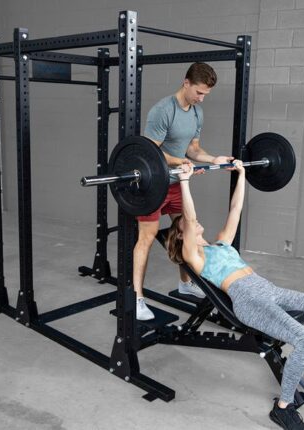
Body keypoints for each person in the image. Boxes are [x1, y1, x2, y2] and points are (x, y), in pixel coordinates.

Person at [166, 162, 304, 430]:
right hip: (248, 300)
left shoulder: (221, 243)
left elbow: (235, 210)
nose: (194, 221)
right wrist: (184, 182)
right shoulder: (193, 255)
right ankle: (283, 407)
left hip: (269, 289)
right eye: (187, 222)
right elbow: (189, 214)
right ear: (181, 234)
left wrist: (242, 174)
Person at [134, 62, 234, 320]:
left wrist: (213, 159)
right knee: (147, 237)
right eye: (199, 92)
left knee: (187, 230)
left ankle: (185, 284)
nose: (202, 98)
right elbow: (151, 153)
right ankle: (137, 299)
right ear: (186, 82)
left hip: (177, 183)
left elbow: (193, 150)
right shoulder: (163, 110)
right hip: (153, 184)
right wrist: (181, 162)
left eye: (205, 95)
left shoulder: (197, 113)